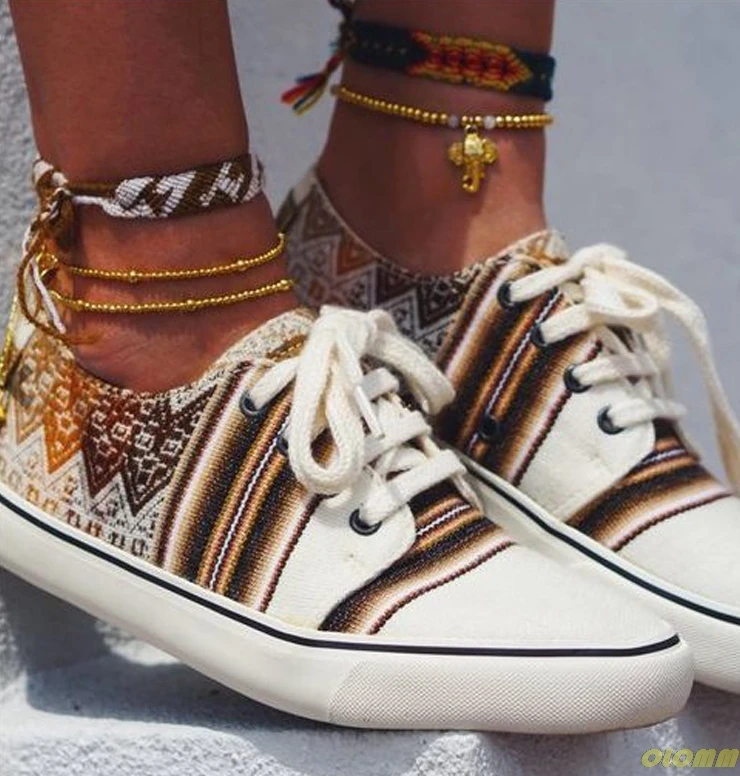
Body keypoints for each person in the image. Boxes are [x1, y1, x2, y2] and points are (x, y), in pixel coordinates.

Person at [0, 0, 735, 736]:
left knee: (444, 149)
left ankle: (405, 243)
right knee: (158, 279)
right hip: (115, 373)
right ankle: (147, 322)